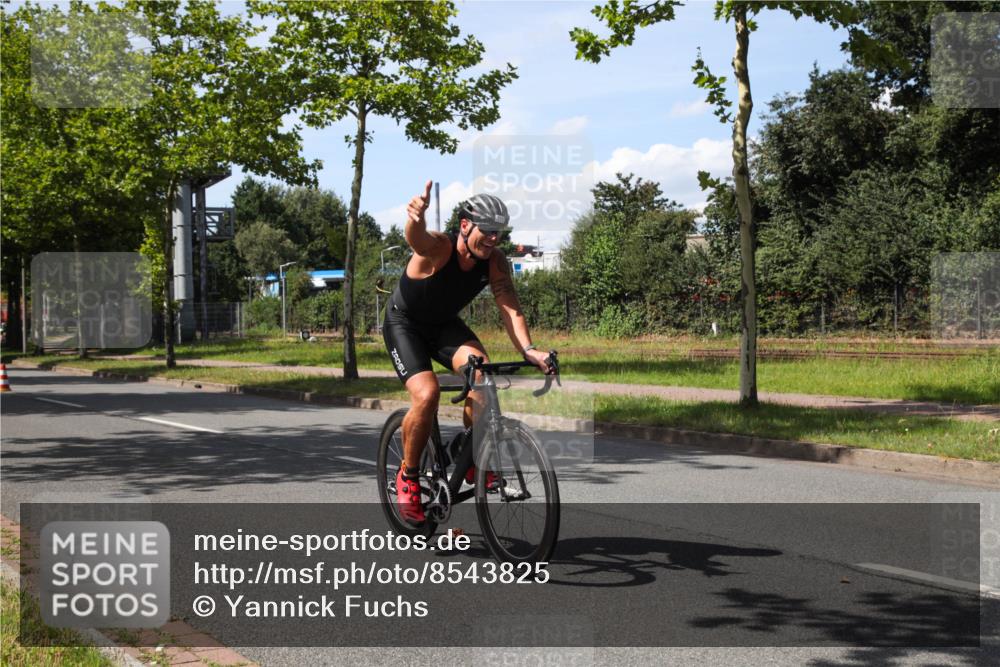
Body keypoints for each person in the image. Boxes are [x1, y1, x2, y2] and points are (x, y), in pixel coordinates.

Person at [382, 180, 554, 523]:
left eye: (499, 233)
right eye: (487, 230)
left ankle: (471, 456)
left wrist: (530, 350)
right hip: (405, 325)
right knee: (427, 393)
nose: (493, 238)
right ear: (465, 225)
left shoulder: (495, 262)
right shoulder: (441, 247)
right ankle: (409, 475)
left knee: (484, 375)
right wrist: (415, 218)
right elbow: (417, 240)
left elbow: (510, 307)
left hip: (443, 325)